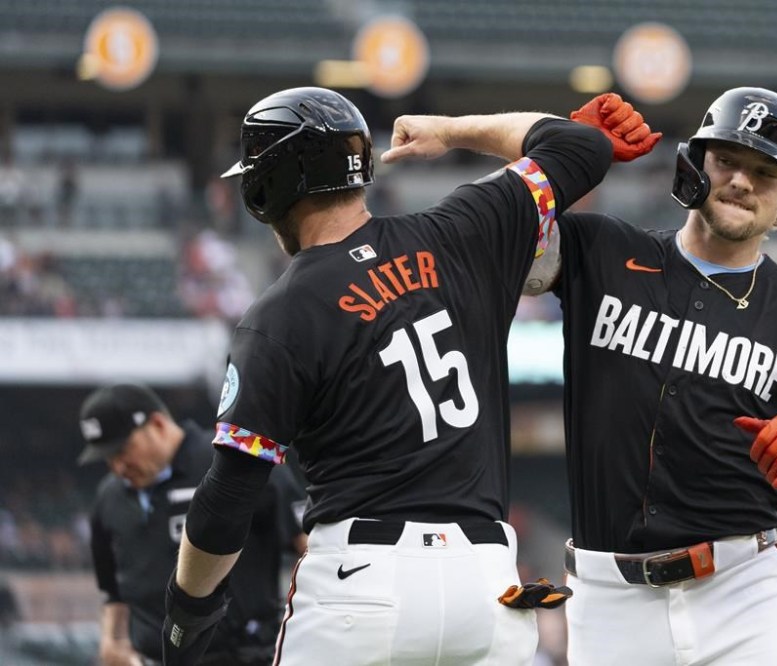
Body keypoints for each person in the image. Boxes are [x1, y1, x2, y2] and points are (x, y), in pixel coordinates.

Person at [160, 87, 657, 665]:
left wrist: (185, 614)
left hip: (362, 583)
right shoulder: (464, 230)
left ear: (263, 188)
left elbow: (227, 499)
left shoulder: (279, 316)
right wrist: (449, 131)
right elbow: (579, 144)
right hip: (488, 582)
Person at [524, 87, 777, 664]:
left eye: (765, 172)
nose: (742, 182)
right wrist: (559, 152)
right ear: (695, 163)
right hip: (607, 602)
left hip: (742, 594)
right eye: (727, 160)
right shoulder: (601, 250)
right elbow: (494, 241)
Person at [78, 382, 306, 666]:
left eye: (123, 449)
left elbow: (308, 544)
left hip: (246, 655)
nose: (118, 467)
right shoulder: (108, 496)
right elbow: (112, 589)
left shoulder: (233, 463)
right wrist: (112, 641)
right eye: (107, 458)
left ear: (158, 424)